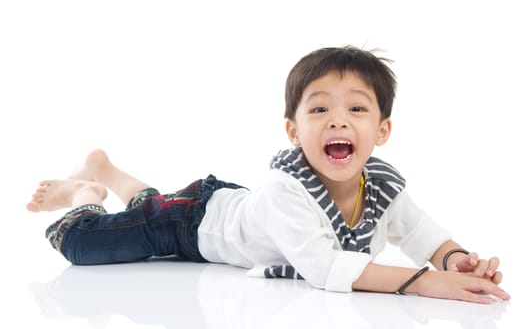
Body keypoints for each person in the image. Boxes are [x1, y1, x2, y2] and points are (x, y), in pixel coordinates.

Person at [27, 46, 510, 304]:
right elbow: (324, 269)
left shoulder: (381, 185)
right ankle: (86, 189)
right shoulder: (286, 189)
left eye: (356, 109)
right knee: (82, 244)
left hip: (232, 211)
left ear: (382, 130)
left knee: (150, 206)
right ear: (293, 131)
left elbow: (422, 232)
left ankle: (107, 168)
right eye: (319, 108)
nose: (338, 120)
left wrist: (454, 260)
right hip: (192, 223)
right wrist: (424, 283)